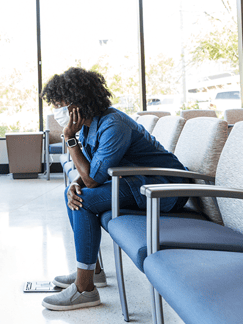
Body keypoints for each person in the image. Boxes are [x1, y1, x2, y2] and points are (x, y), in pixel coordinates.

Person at [40, 67, 188, 311]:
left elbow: (93, 180)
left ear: (77, 102)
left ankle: (85, 289)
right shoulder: (89, 125)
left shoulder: (113, 124)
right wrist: (74, 185)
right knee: (75, 196)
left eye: (60, 104)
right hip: (134, 183)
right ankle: (92, 272)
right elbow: (92, 171)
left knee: (84, 199)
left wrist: (69, 138)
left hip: (164, 189)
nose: (57, 111)